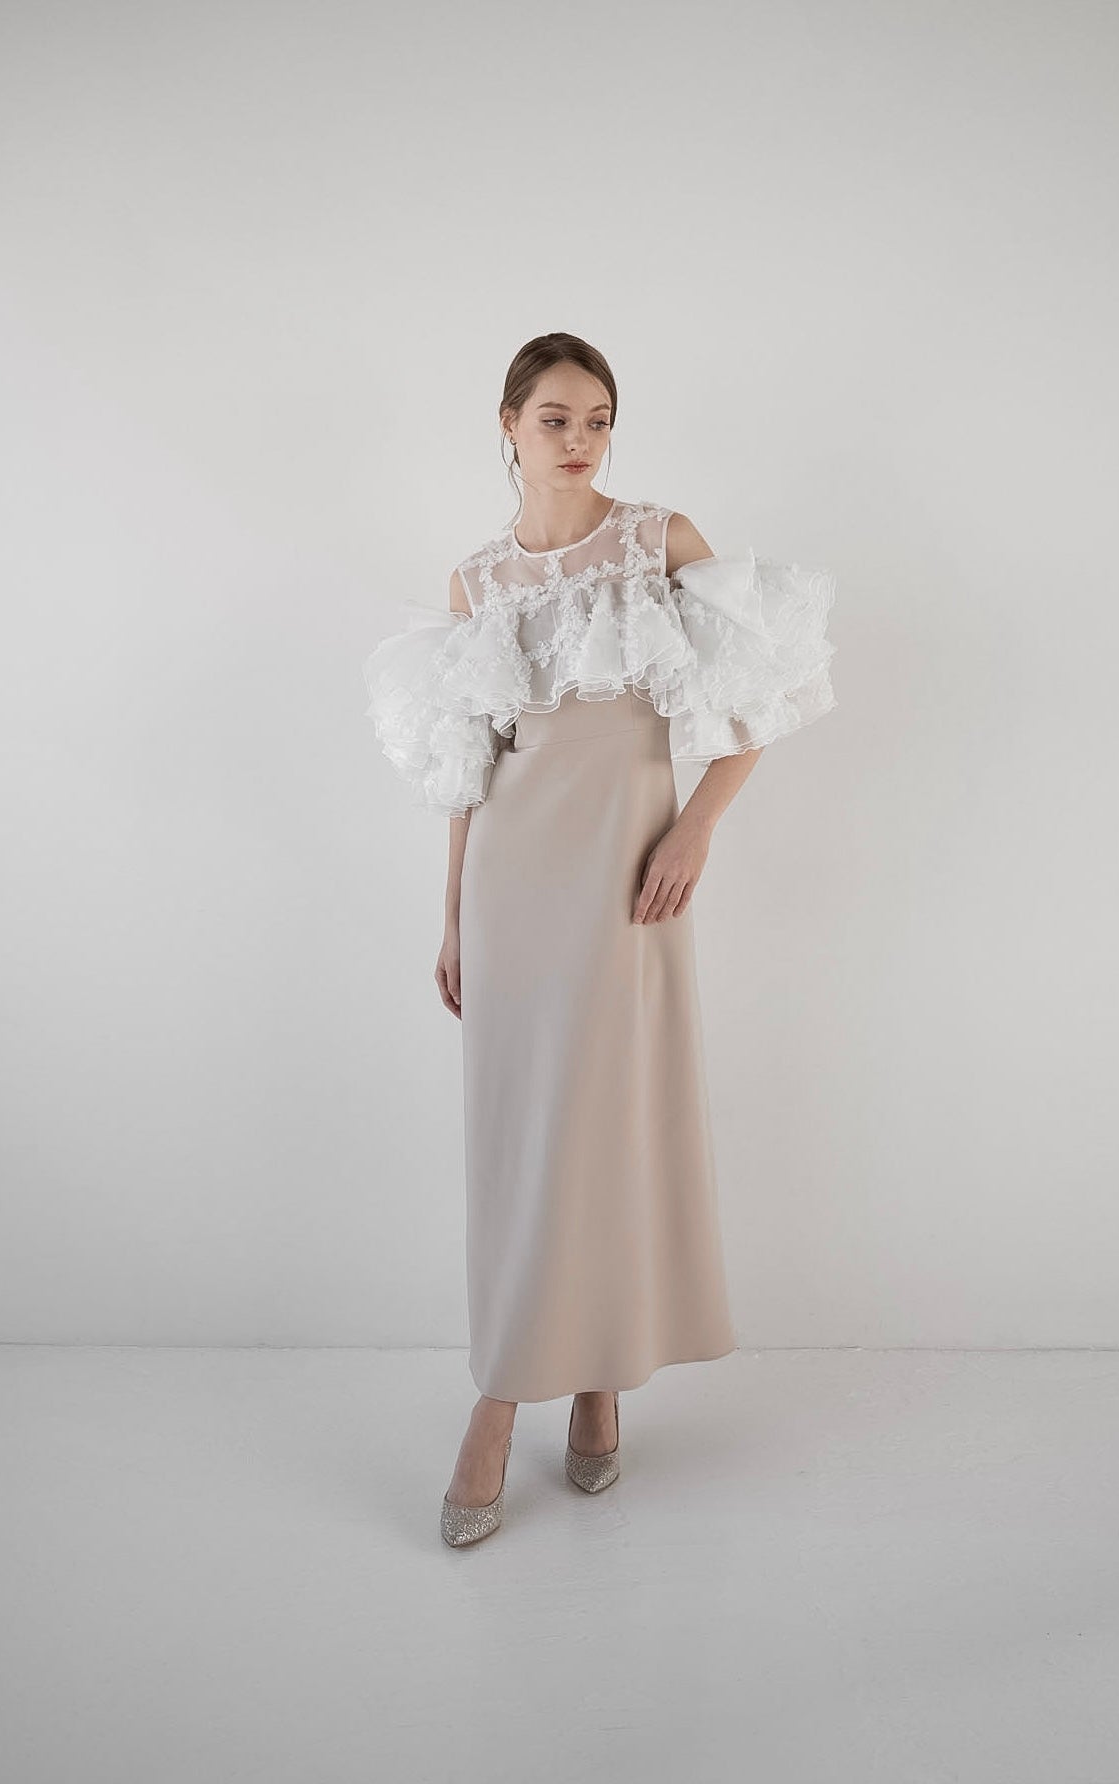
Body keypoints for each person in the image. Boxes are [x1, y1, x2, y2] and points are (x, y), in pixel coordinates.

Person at [363, 332, 837, 1546]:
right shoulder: (476, 581)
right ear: (508, 425)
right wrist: (452, 912)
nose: (579, 440)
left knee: (601, 1126)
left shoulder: (655, 540)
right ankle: (542, 1383)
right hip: (510, 887)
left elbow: (759, 701)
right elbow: (467, 769)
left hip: (626, 882)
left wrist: (694, 830)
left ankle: (552, 1386)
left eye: (597, 419)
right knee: (520, 1136)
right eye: (555, 418)